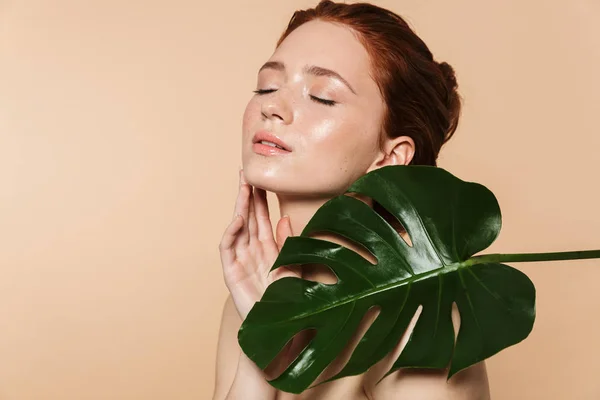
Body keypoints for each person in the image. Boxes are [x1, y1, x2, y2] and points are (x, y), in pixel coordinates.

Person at [213, 1, 491, 398]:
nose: (271, 107)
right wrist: (264, 342)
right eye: (267, 86)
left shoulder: (420, 319)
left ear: (391, 157)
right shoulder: (249, 294)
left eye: (322, 96)